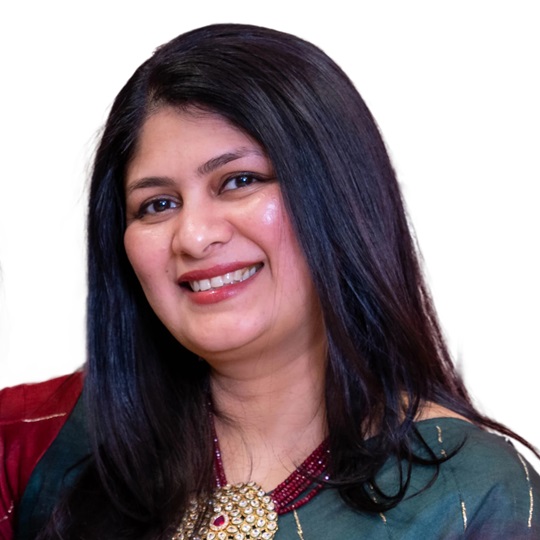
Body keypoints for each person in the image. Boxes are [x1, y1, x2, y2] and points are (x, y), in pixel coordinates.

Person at [1, 23, 539, 539]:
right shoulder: (32, 442)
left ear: (340, 196)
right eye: (157, 204)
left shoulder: (474, 497)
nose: (194, 236)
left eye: (239, 181)